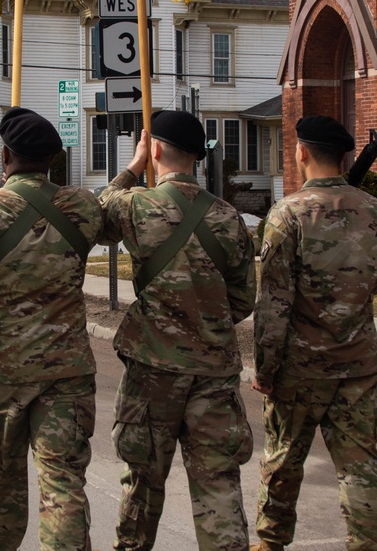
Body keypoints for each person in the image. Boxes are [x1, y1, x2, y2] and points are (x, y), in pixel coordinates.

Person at [0, 107, 104, 551]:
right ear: (53, 159)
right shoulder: (82, 207)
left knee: (1, 479)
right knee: (64, 483)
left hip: (1, 372)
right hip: (68, 370)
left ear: (5, 156)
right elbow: (110, 210)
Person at [100, 110, 256, 551]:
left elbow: (95, 213)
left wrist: (133, 167)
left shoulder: (136, 205)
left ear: (155, 150)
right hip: (214, 372)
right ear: (198, 157)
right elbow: (243, 301)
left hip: (153, 370)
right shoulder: (229, 218)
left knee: (142, 484)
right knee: (219, 485)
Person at [251, 116, 377, 551]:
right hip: (359, 365)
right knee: (361, 468)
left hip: (299, 369)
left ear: (301, 152)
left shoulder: (287, 214)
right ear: (345, 156)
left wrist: (265, 367)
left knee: (283, 464)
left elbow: (273, 303)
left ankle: (271, 544)